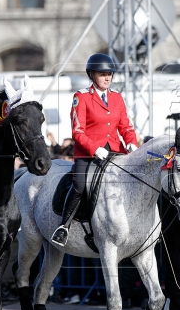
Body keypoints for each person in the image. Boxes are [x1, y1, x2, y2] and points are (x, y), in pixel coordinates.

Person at [50, 53, 138, 247]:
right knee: (80, 184)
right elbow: (78, 131)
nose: (107, 78)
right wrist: (94, 148)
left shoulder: (117, 97)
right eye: (102, 74)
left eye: (110, 74)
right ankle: (64, 226)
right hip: (88, 153)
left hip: (115, 151)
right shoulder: (81, 97)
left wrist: (132, 143)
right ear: (92, 75)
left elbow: (126, 127)